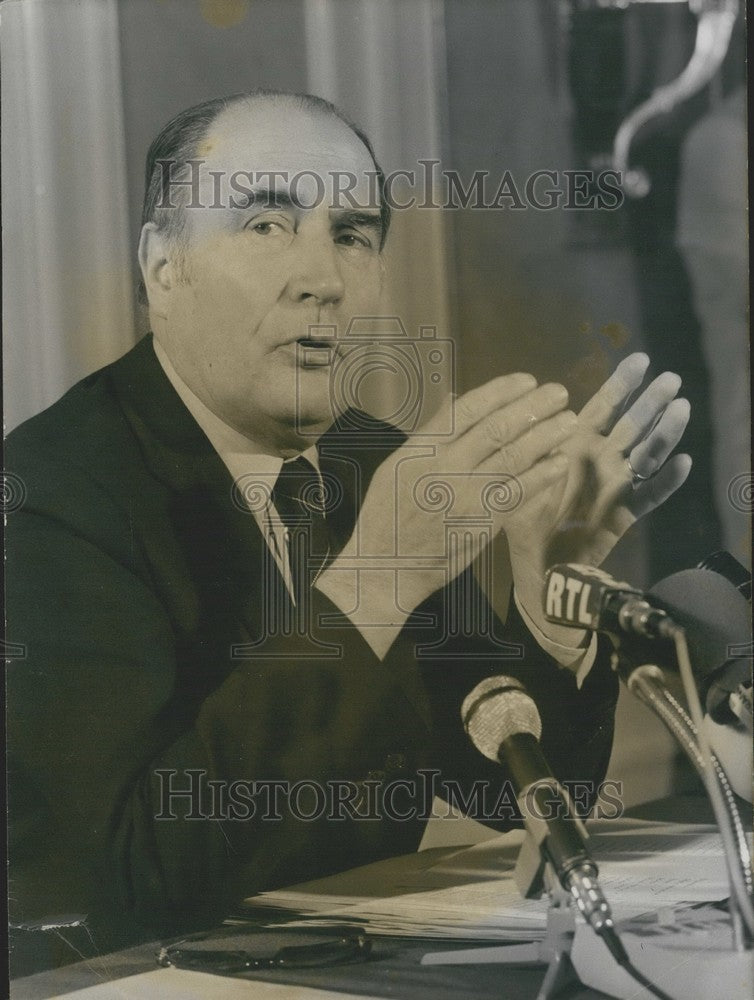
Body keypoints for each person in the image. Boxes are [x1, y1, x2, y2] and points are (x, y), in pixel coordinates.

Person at [6, 91, 691, 971]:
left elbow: (491, 781)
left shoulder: (375, 462)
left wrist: (546, 608)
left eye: (353, 233)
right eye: (265, 226)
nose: (322, 277)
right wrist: (374, 578)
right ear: (162, 267)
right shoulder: (46, 498)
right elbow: (122, 884)